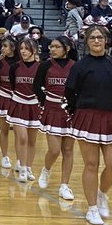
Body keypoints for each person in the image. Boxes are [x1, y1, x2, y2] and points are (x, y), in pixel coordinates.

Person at [66, 24, 112, 225]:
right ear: (87, 42)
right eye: (92, 38)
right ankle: (92, 208)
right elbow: (70, 91)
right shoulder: (80, 66)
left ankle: (102, 193)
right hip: (86, 116)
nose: (96, 41)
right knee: (91, 164)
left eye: (100, 37)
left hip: (111, 116)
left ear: (106, 40)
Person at [35, 36, 76, 199]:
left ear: (66, 49)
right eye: (51, 47)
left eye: (56, 47)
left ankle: (64, 186)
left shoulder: (75, 66)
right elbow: (36, 86)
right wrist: (44, 102)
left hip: (70, 111)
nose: (52, 49)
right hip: (51, 109)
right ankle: (46, 169)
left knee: (68, 150)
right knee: (54, 150)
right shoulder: (45, 65)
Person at [6, 38, 43, 183]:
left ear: (34, 50)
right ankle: (21, 167)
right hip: (18, 103)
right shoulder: (15, 67)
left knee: (32, 140)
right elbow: (13, 85)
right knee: (22, 138)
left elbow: (40, 87)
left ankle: (28, 167)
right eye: (21, 48)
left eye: (26, 49)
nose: (23, 51)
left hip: (34, 104)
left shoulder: (41, 67)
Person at [0, 37, 16, 168]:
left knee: (19, 132)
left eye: (5, 46)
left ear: (13, 48)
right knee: (4, 129)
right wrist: (1, 92)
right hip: (3, 98)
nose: (2, 48)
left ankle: (20, 159)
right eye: (2, 46)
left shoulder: (20, 64)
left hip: (19, 99)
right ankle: (4, 156)